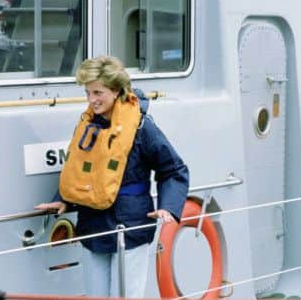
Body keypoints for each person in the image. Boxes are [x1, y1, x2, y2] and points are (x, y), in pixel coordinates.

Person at [36, 56, 189, 298]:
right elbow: (79, 169)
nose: (91, 100)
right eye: (87, 93)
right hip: (93, 225)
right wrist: (63, 199)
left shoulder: (141, 127)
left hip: (129, 226)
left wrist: (168, 207)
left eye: (98, 92)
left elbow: (173, 169)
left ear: (116, 90)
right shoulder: (87, 126)